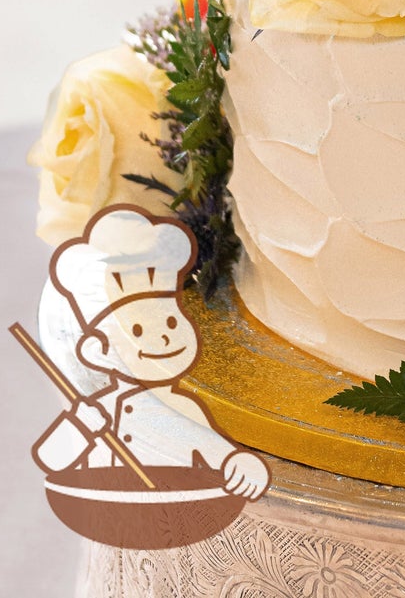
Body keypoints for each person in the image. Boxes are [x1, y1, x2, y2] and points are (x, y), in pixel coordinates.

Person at [31, 205, 269, 499]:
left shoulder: (184, 409)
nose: (166, 339)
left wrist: (241, 463)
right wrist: (83, 417)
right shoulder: (100, 405)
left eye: (172, 323)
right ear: (97, 351)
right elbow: (52, 458)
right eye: (139, 332)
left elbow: (219, 453)